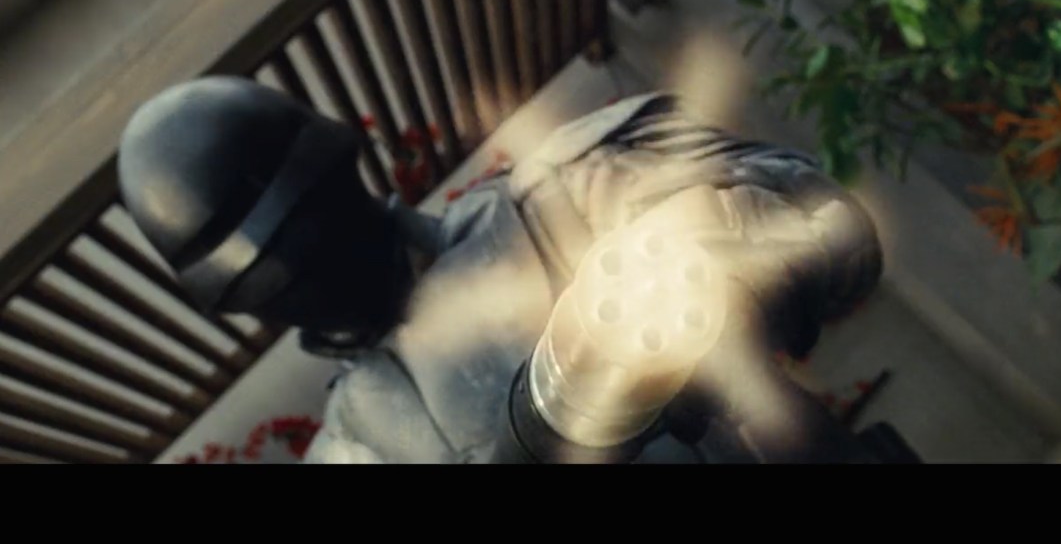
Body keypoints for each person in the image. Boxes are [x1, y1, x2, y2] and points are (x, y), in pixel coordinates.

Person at [118, 76, 894, 464]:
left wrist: (725, 238)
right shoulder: (354, 445)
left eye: (305, 228)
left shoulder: (575, 179)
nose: (307, 264)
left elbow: (835, 229)